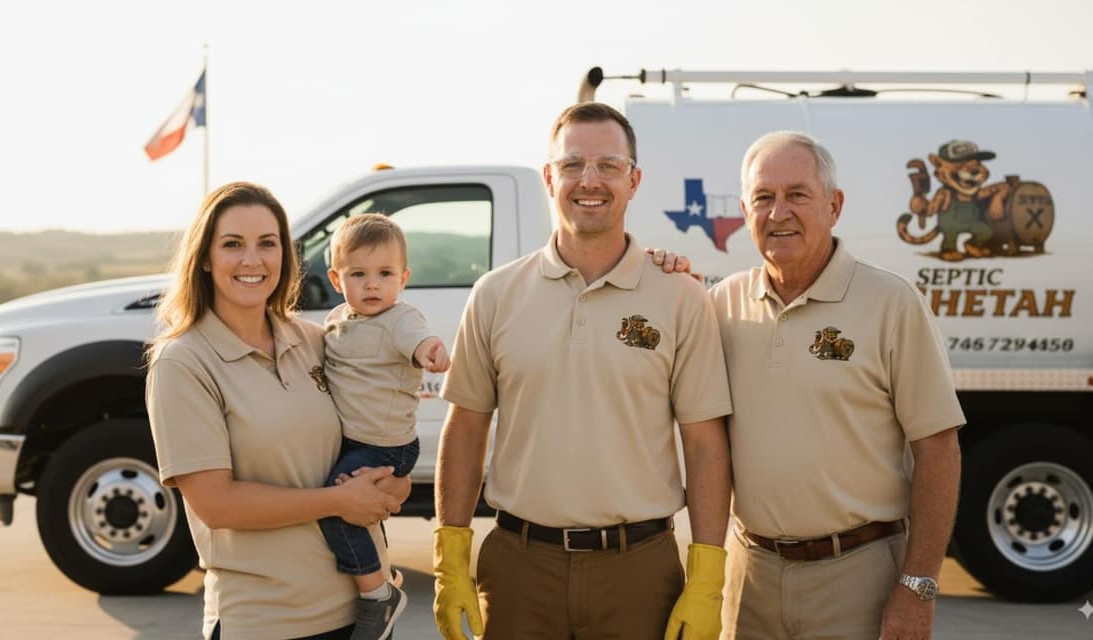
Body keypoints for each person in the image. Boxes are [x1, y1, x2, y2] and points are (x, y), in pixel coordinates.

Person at [432, 102, 734, 640]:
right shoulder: (495, 294)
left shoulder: (681, 297)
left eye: (609, 166)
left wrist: (709, 576)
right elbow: (465, 427)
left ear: (634, 180)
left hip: (638, 570)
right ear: (550, 177)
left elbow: (705, 444)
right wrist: (449, 557)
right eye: (572, 164)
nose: (588, 181)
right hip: (520, 570)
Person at [709, 131, 964, 639]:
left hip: (858, 576)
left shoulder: (891, 303)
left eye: (797, 195)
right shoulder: (721, 305)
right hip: (750, 577)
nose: (778, 212)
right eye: (763, 197)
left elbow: (938, 449)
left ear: (834, 205)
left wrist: (918, 586)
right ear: (744, 210)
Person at [145, 182, 409, 640]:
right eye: (233, 245)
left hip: (363, 615)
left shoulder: (314, 340)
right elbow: (215, 503)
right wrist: (341, 501)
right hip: (267, 621)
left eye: (267, 244)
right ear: (205, 258)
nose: (253, 260)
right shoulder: (182, 362)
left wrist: (392, 482)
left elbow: (362, 439)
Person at [316, 213, 451, 640]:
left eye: (385, 273)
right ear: (338, 280)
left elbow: (419, 340)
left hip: (387, 446)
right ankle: (372, 570)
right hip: (356, 441)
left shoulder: (400, 319)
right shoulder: (338, 319)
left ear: (403, 278)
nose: (373, 284)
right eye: (359, 274)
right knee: (357, 514)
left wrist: (430, 351)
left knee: (339, 505)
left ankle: (378, 593)